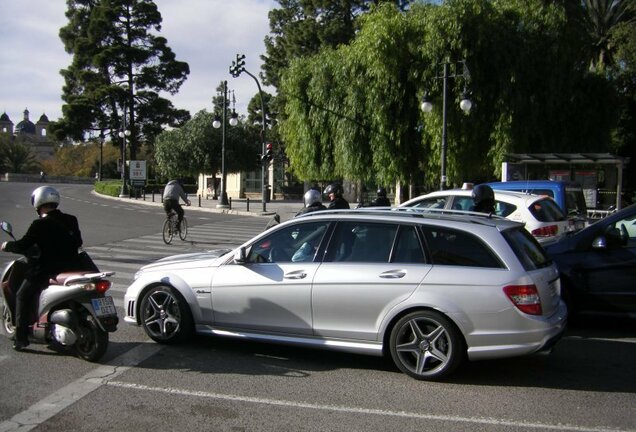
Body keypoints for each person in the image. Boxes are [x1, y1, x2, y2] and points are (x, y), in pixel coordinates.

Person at [0, 186, 84, 351]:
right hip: (74, 267)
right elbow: (78, 242)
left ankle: (21, 339)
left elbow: (23, 244)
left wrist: (6, 245)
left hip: (47, 269)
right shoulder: (71, 219)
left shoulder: (39, 224)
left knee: (21, 295)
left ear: (38, 203)